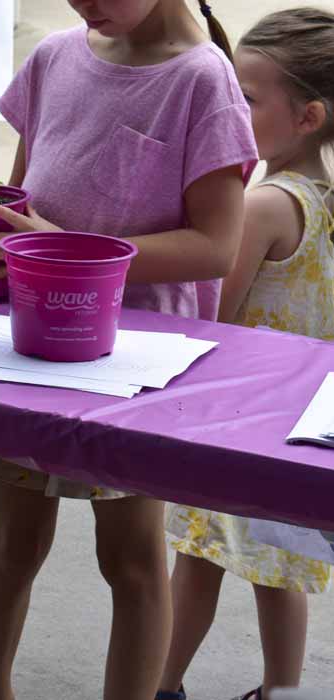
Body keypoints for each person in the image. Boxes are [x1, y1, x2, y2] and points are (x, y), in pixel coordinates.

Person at [0, 1, 258, 698]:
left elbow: (215, 247)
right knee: (10, 543)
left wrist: (63, 250)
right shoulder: (56, 57)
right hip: (29, 349)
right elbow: (16, 207)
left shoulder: (203, 81)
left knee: (132, 560)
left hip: (133, 368)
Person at [159, 9, 334, 700]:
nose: (229, 109)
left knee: (195, 557)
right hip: (299, 422)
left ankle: (159, 683)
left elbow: (214, 317)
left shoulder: (263, 204)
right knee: (280, 571)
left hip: (239, 420)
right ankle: (282, 690)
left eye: (247, 99)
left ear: (308, 116)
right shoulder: (324, 198)